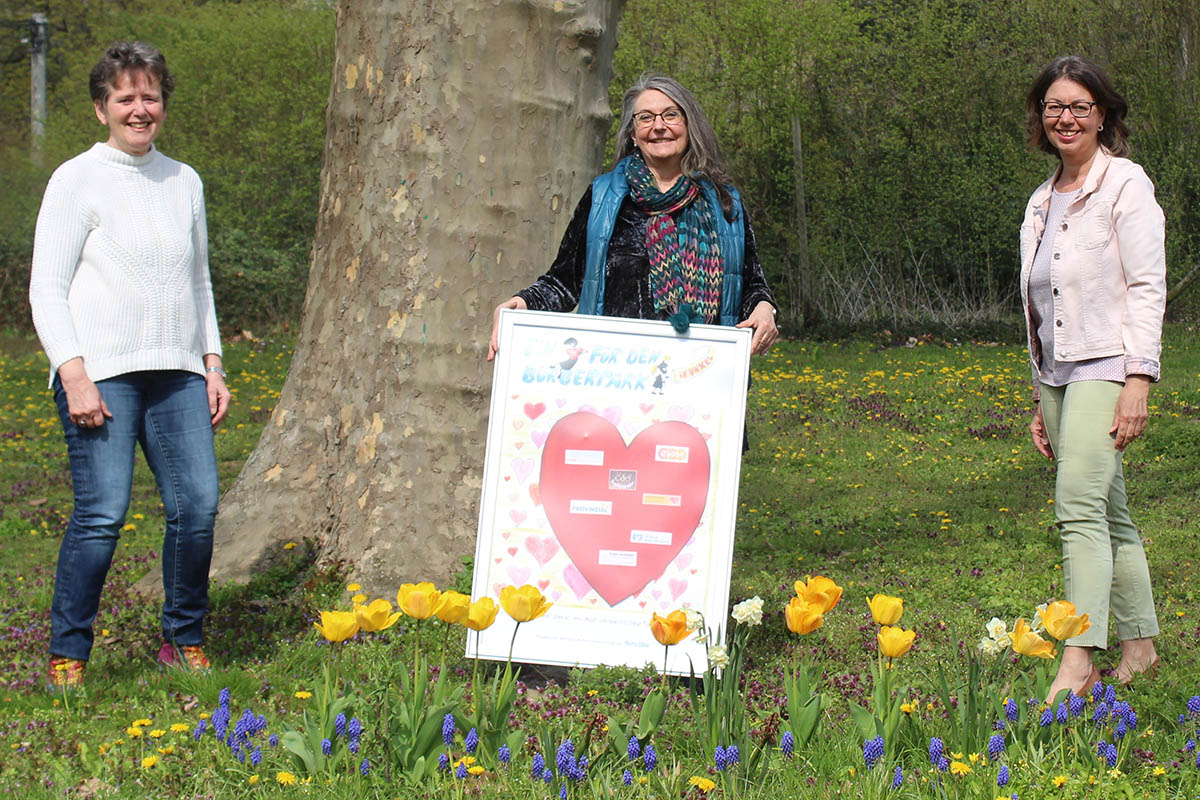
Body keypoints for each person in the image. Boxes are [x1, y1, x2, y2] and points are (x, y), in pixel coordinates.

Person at [29, 42, 230, 691]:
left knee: (197, 506)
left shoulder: (185, 180)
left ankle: (184, 637)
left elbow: (199, 283)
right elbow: (47, 289)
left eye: (150, 97)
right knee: (102, 513)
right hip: (102, 374)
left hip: (177, 373)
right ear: (101, 108)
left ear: (163, 104)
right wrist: (73, 373)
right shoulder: (75, 180)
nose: (140, 109)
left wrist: (213, 364)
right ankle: (69, 653)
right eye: (126, 98)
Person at [1020, 56, 1164, 699]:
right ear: (1041, 118)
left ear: (1103, 114)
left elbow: (1146, 285)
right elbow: (1038, 301)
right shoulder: (1041, 199)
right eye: (1055, 106)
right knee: (1111, 510)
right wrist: (1036, 394)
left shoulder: (1125, 184)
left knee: (1077, 508)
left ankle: (1079, 659)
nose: (1067, 117)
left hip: (1107, 362)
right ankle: (1140, 645)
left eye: (1080, 105)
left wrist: (1139, 379)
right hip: (1056, 372)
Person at [488, 74, 779, 360]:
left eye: (671, 115)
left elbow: (751, 283)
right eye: (646, 118)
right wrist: (523, 303)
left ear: (689, 126)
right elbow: (565, 280)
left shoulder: (723, 200)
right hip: (617, 373)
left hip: (700, 375)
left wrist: (764, 308)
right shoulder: (604, 196)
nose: (659, 126)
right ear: (632, 134)